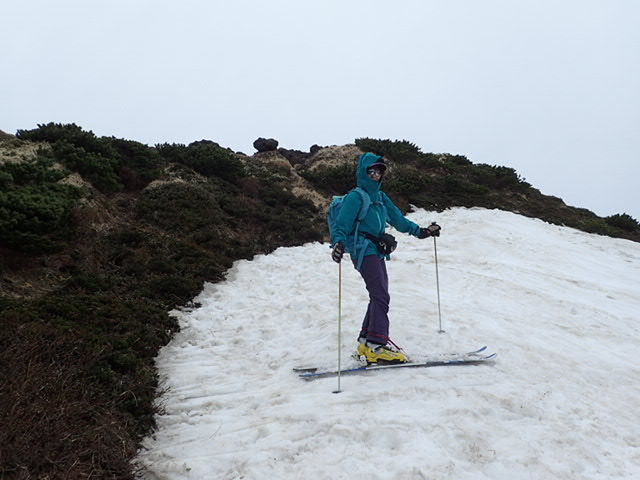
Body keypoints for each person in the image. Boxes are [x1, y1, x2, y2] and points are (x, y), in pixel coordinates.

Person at [330, 152, 441, 364]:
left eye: (379, 172)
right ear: (363, 173)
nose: (375, 175)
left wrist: (422, 232)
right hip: (363, 250)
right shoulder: (356, 197)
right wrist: (338, 243)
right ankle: (376, 346)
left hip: (376, 250)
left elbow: (398, 220)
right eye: (371, 171)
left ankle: (366, 342)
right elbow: (341, 225)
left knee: (378, 295)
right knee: (381, 295)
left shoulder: (380, 198)